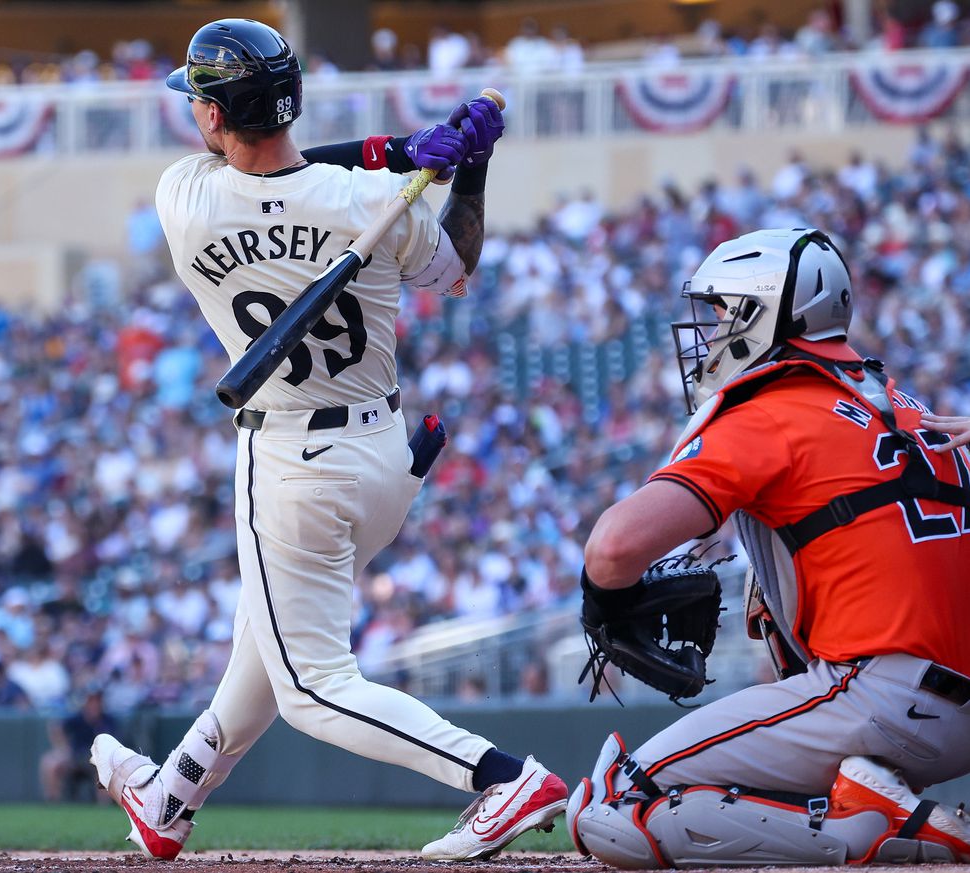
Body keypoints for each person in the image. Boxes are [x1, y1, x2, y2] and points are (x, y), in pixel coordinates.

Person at [91, 18, 566, 863]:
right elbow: (457, 265)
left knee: (309, 684)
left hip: (290, 462)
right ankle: (169, 797)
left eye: (201, 101)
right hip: (385, 460)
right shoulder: (373, 202)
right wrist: (461, 168)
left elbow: (271, 171)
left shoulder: (186, 200)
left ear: (212, 117)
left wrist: (396, 150)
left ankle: (501, 776)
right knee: (266, 648)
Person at [568, 228, 970, 867]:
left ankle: (875, 828)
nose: (711, 332)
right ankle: (875, 803)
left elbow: (613, 548)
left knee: (612, 804)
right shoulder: (911, 408)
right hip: (949, 707)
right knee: (783, 561)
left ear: (765, 313)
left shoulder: (771, 409)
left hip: (879, 696)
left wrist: (599, 606)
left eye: (723, 311)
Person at [40, 687, 117, 802]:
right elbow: (55, 726)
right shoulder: (78, 718)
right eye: (91, 700)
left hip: (97, 761)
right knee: (50, 762)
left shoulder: (108, 720)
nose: (94, 704)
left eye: (97, 700)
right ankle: (52, 803)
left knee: (103, 768)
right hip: (75, 758)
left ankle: (104, 807)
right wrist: (62, 747)